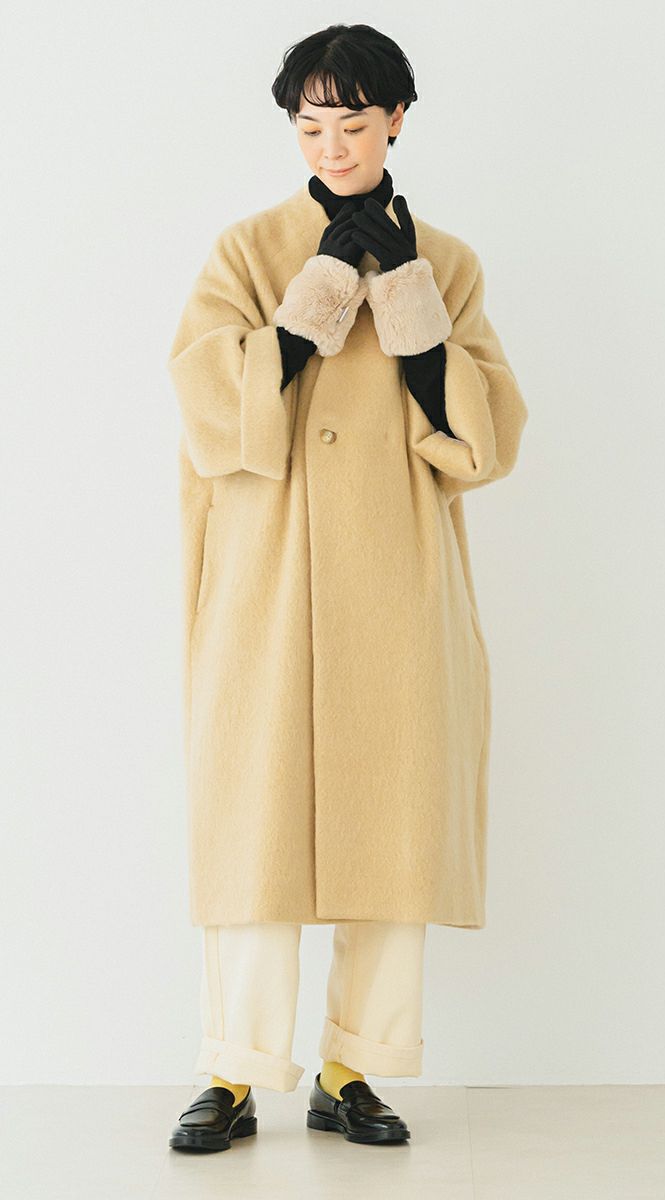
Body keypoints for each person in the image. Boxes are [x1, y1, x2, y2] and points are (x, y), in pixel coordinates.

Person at [166, 23, 527, 1152]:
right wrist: (322, 286)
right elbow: (209, 407)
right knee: (255, 826)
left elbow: (485, 438)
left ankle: (352, 1068)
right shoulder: (247, 251)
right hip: (267, 578)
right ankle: (233, 1073)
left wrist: (407, 296)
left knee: (392, 824)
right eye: (311, 125)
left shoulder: (448, 263)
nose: (332, 145)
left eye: (354, 123)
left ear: (396, 122)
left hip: (395, 577)